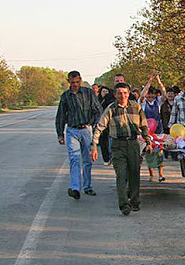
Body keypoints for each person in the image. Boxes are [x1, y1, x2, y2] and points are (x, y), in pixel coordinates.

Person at [91, 83, 153, 215]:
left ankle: (135, 201)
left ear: (129, 93)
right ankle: (124, 204)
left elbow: (144, 125)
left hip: (133, 144)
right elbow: (100, 127)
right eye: (119, 93)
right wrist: (94, 146)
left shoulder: (136, 107)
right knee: (121, 175)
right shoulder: (111, 109)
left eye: (125, 93)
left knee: (134, 173)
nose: (122, 96)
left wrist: (148, 141)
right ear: (115, 95)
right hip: (117, 145)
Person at [56, 70, 102, 199]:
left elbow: (98, 110)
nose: (75, 85)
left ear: (80, 80)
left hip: (86, 129)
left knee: (87, 160)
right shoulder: (65, 96)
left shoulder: (88, 93)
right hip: (72, 130)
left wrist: (96, 125)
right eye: (72, 82)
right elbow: (60, 116)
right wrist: (60, 134)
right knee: (74, 158)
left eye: (77, 82)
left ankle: (87, 186)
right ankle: (75, 188)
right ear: (68, 82)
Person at [98, 86, 115, 166]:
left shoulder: (111, 101)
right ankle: (106, 158)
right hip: (101, 124)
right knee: (103, 142)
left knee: (111, 142)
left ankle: (112, 158)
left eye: (106, 91)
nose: (104, 93)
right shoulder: (97, 101)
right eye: (103, 91)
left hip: (110, 123)